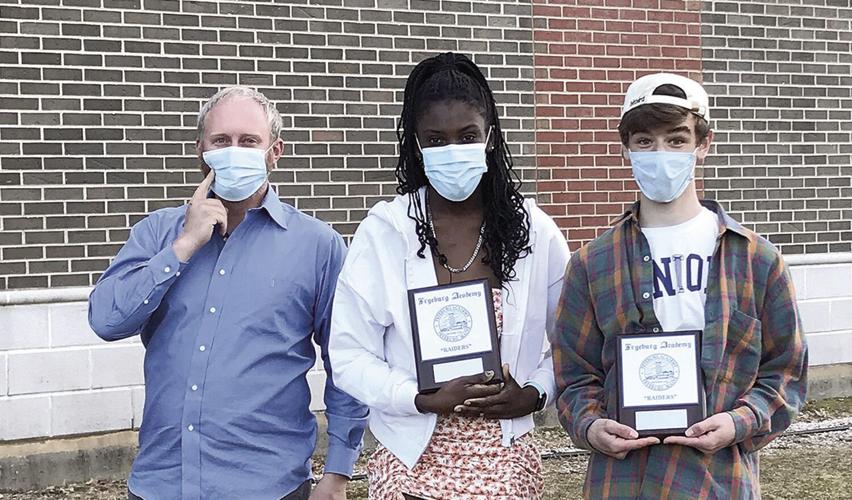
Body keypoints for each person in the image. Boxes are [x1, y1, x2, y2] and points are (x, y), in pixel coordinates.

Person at [88, 86, 368, 500]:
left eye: (249, 141)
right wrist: (182, 248)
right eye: (221, 141)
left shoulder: (318, 245)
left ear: (275, 151)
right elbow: (106, 320)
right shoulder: (158, 233)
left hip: (270, 486)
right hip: (161, 483)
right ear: (201, 149)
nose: (234, 151)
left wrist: (338, 473)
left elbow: (346, 360)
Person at [550, 73, 808, 498]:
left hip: (719, 483)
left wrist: (739, 421)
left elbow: (786, 372)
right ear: (626, 149)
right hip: (623, 484)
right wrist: (592, 426)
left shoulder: (758, 261)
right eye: (645, 142)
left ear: (702, 145)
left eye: (676, 140)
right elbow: (574, 376)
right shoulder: (591, 265)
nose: (660, 155)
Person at [328, 52, 570, 500]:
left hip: (505, 462)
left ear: (490, 138)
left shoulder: (533, 229)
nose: (452, 151)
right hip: (408, 461)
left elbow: (571, 341)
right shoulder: (386, 231)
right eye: (436, 140)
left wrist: (535, 393)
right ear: (416, 146)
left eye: (468, 136)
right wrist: (418, 397)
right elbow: (348, 353)